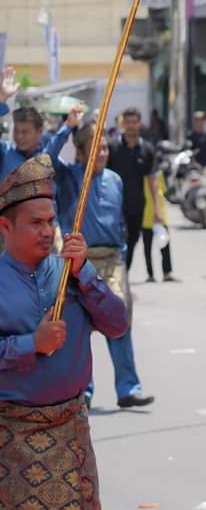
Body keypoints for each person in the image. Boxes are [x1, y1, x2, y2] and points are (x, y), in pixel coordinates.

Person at [0, 156, 129, 510]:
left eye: (51, 221)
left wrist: (85, 272)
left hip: (71, 430)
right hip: (12, 438)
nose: (46, 230)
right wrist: (32, 345)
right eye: (35, 223)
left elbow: (118, 324)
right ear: (5, 227)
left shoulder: (69, 272)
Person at [53, 122, 155, 409]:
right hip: (77, 261)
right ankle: (83, 392)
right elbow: (47, 157)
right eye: (96, 147)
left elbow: (120, 222)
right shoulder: (69, 177)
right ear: (83, 152)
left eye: (105, 147)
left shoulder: (115, 180)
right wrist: (66, 127)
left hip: (111, 260)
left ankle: (128, 388)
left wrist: (121, 254)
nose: (102, 152)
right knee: (79, 325)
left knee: (119, 317)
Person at [108, 108, 163, 279]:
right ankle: (117, 278)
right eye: (128, 122)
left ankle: (124, 276)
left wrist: (157, 209)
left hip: (138, 204)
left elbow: (152, 181)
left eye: (134, 122)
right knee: (117, 242)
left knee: (132, 241)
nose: (131, 126)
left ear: (140, 124)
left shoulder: (147, 149)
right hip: (115, 206)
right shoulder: (113, 148)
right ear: (123, 124)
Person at [141, 169, 175, 281]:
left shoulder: (158, 174)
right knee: (149, 247)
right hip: (149, 214)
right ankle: (151, 274)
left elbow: (161, 192)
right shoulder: (144, 174)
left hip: (158, 214)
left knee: (163, 245)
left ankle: (165, 273)